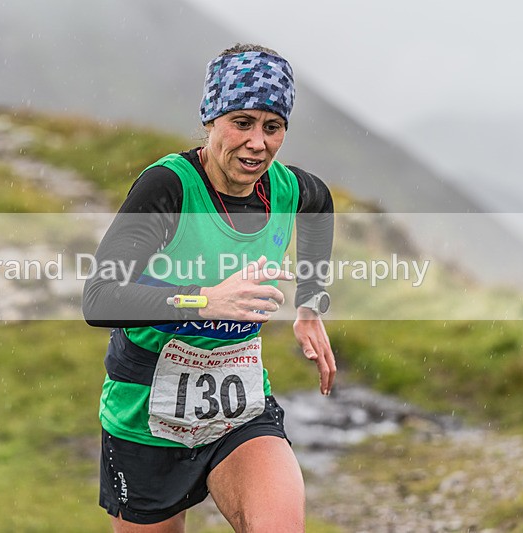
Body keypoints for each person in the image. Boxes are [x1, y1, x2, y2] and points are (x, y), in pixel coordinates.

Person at [83, 44, 335, 532]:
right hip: (146, 411)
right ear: (210, 118)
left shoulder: (286, 188)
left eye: (272, 126)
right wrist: (205, 299)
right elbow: (99, 298)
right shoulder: (169, 187)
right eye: (242, 122)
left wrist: (311, 303)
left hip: (239, 407)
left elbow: (320, 205)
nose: (258, 143)